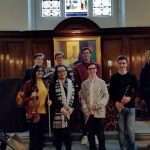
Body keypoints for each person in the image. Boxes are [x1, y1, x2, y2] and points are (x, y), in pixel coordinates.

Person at [109, 55, 138, 150]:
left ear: (127, 64)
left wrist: (130, 98)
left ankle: (131, 148)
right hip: (119, 107)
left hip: (130, 107)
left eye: (123, 63)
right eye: (120, 63)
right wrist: (116, 102)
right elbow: (111, 92)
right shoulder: (113, 77)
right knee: (121, 131)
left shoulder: (132, 76)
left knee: (130, 130)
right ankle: (123, 148)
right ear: (117, 64)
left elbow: (138, 90)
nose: (122, 65)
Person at [74, 47, 102, 144]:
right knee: (84, 114)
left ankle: (95, 135)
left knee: (95, 114)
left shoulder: (97, 65)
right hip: (83, 93)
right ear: (82, 55)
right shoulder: (78, 67)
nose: (86, 55)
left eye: (87, 53)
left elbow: (100, 79)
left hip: (95, 93)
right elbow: (76, 81)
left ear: (90, 54)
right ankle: (85, 135)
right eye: (84, 53)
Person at [80, 62, 109, 150]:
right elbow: (82, 98)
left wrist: (98, 105)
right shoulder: (84, 84)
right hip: (89, 113)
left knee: (100, 133)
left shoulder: (102, 82)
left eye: (93, 68)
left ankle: (102, 148)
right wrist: (85, 109)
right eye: (90, 69)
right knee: (90, 133)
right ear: (87, 71)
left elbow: (106, 95)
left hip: (99, 111)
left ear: (96, 70)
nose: (92, 70)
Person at [23, 65, 52, 150]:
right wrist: (31, 97)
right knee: (34, 138)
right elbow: (23, 100)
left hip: (43, 113)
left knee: (41, 138)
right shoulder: (29, 83)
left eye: (42, 71)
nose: (40, 72)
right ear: (34, 72)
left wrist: (48, 102)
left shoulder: (45, 83)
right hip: (33, 113)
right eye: (38, 71)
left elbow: (46, 97)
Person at [49, 65, 76, 150]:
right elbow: (53, 98)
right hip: (58, 113)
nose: (62, 73)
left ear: (66, 72)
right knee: (58, 138)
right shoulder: (53, 84)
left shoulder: (72, 83)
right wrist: (61, 109)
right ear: (56, 73)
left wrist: (72, 108)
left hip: (69, 113)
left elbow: (76, 98)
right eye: (59, 71)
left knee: (68, 137)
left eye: (63, 70)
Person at [139, 50, 150, 119]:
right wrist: (142, 97)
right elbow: (141, 83)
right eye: (149, 56)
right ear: (147, 57)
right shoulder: (144, 69)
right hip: (147, 93)